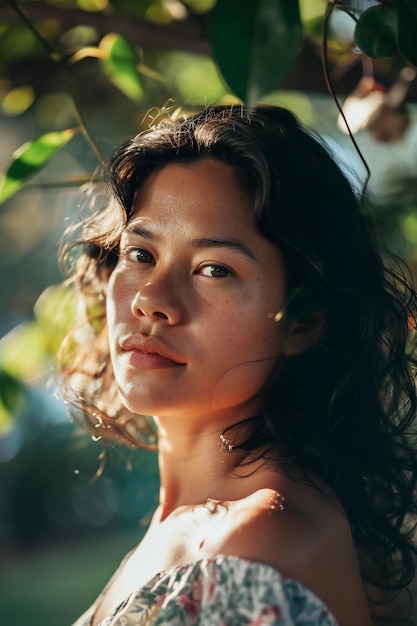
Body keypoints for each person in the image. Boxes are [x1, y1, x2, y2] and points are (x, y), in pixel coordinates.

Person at [59, 105, 417, 625]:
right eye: (140, 254)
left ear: (302, 321)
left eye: (214, 269)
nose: (152, 299)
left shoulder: (253, 543)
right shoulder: (188, 527)